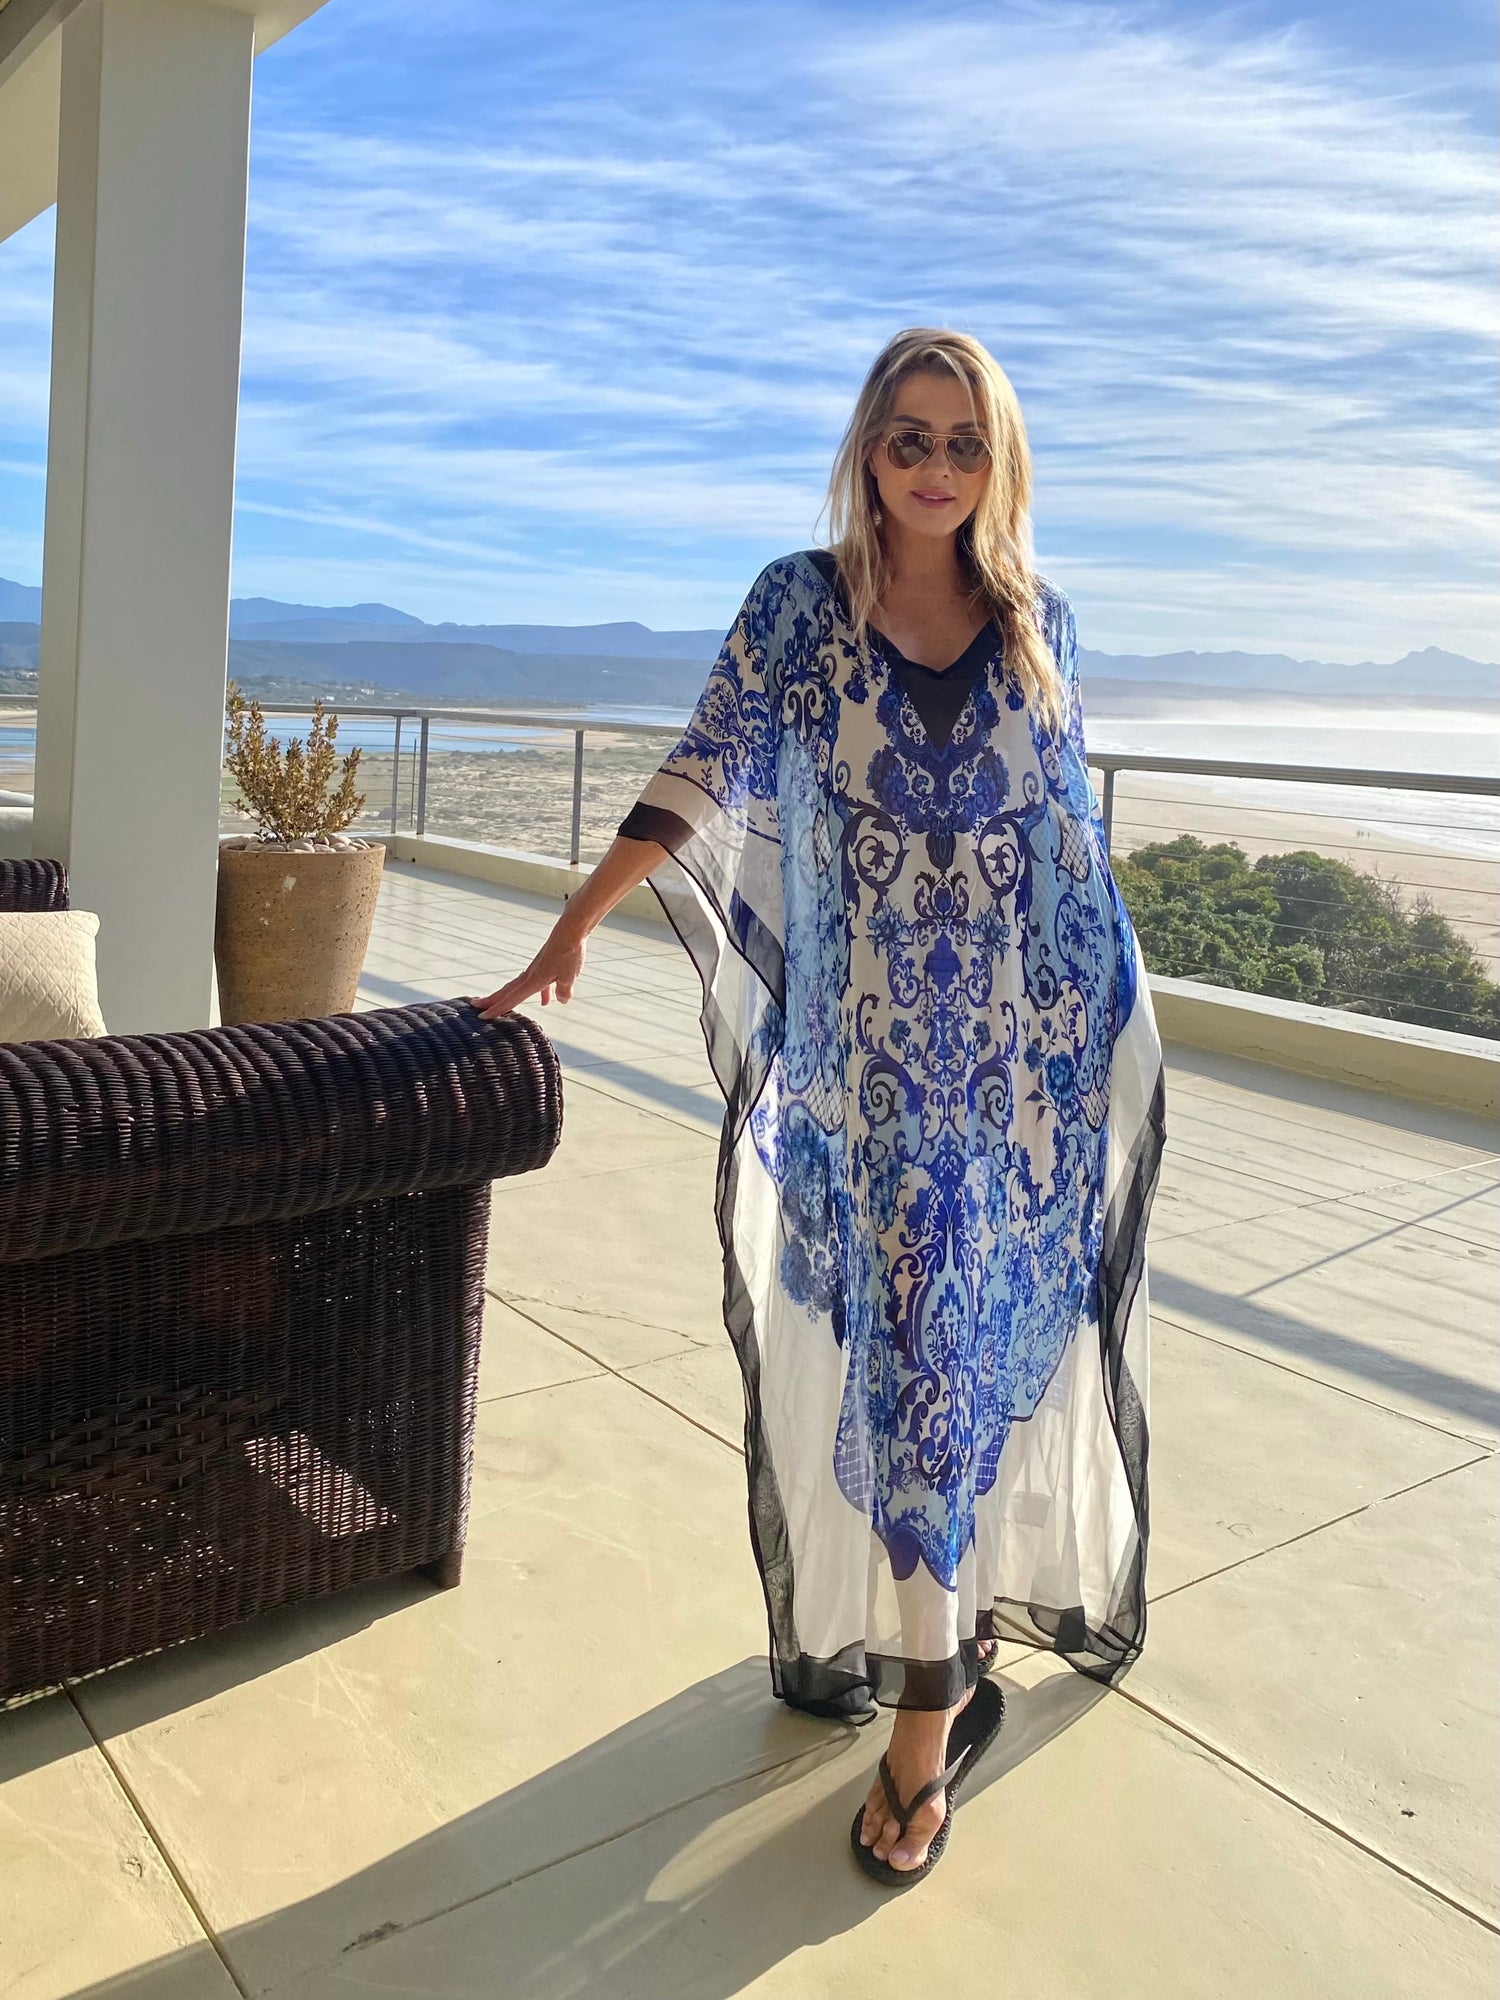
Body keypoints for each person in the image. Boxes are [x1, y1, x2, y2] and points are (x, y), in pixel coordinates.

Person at [472, 327, 1165, 1883]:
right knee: (908, 1372)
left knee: (964, 1367)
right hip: (865, 1089)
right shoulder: (798, 605)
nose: (932, 468)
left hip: (1004, 1088)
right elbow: (699, 770)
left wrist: (1102, 1040)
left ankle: (931, 1706)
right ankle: (941, 1678)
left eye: (963, 445)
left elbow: (1066, 854)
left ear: (1001, 466)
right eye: (907, 438)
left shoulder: (1041, 623)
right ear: (867, 449)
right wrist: (573, 926)